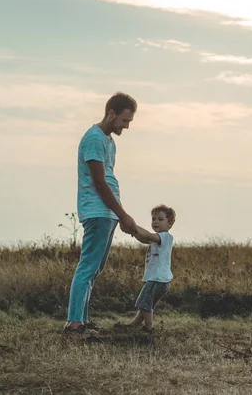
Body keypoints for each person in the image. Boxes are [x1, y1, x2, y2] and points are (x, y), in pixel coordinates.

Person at [63, 92, 139, 334]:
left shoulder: (108, 141)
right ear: (111, 114)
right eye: (124, 121)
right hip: (97, 210)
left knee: (94, 269)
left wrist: (117, 214)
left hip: (107, 212)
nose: (126, 127)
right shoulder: (94, 139)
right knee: (87, 267)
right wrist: (123, 214)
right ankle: (74, 323)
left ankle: (82, 321)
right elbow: (99, 182)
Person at [122, 204, 176, 337]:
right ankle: (135, 324)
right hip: (157, 279)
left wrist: (133, 226)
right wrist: (133, 232)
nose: (155, 221)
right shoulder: (156, 239)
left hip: (157, 279)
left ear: (170, 224)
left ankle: (149, 328)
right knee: (146, 303)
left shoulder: (165, 237)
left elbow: (147, 235)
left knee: (145, 303)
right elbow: (144, 238)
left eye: (160, 219)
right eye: (153, 219)